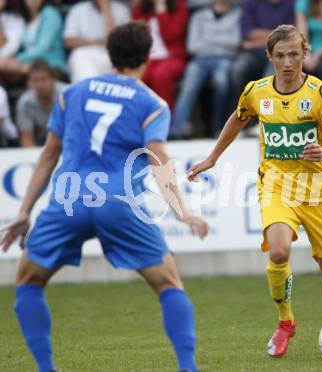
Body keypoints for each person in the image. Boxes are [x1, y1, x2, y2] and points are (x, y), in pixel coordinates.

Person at [0, 22, 208, 372]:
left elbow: (49, 154)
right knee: (168, 283)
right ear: (147, 56)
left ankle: (45, 368)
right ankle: (188, 368)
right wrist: (181, 211)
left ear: (108, 54)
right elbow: (157, 157)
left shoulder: (73, 93)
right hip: (118, 202)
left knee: (28, 281)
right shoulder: (152, 103)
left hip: (68, 199)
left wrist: (24, 211)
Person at [188, 24, 322, 358]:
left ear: (305, 54)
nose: (288, 62)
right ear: (269, 57)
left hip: (318, 190)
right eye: (280, 56)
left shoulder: (321, 93)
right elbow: (238, 117)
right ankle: (285, 321)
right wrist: (212, 157)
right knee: (278, 252)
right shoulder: (257, 91)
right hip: (276, 185)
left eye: (294, 54)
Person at [171, 0, 241, 138]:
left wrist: (208, 39)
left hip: (225, 59)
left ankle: (219, 128)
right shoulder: (198, 15)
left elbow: (236, 41)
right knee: (189, 87)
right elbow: (192, 46)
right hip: (200, 59)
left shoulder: (237, 14)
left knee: (221, 82)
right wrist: (222, 40)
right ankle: (177, 129)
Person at [133, 0, 188, 110]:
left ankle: (165, 115)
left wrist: (161, 8)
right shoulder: (140, 9)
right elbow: (136, 37)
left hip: (172, 58)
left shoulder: (179, 6)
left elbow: (171, 35)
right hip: (147, 58)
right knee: (136, 77)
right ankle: (140, 118)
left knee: (161, 75)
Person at [63, 0, 131, 82]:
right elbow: (68, 41)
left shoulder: (122, 10)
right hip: (85, 54)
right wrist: (97, 42)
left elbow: (113, 41)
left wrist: (106, 9)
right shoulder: (78, 9)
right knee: (79, 55)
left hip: (113, 57)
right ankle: (89, 92)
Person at [16, 59, 67, 147]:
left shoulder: (67, 95)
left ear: (53, 79)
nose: (40, 85)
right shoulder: (25, 102)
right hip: (40, 143)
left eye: (43, 79)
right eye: (35, 80)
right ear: (29, 82)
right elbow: (26, 138)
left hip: (66, 140)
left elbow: (76, 132)